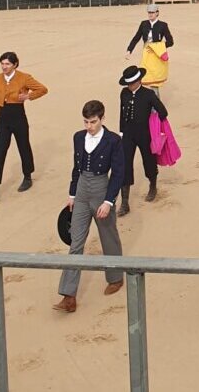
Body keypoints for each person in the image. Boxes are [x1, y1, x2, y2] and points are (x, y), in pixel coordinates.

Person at [53, 100, 125, 313]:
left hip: (102, 188)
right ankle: (68, 295)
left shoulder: (113, 140)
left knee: (108, 236)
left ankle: (115, 277)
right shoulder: (78, 137)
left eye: (93, 122)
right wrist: (72, 194)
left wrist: (108, 201)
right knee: (76, 241)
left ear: (102, 119)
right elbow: (76, 167)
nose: (89, 126)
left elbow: (118, 173)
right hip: (83, 190)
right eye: (85, 122)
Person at [0, 52, 48, 199]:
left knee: (23, 146)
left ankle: (27, 177)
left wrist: (28, 96)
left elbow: (43, 89)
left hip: (18, 117)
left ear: (15, 64)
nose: (4, 67)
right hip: (3, 118)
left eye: (7, 64)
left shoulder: (24, 77)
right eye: (2, 63)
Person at [118, 65, 169, 213]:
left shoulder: (148, 94)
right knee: (125, 163)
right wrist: (121, 132)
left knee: (149, 160)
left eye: (132, 83)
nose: (130, 86)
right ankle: (125, 202)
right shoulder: (124, 93)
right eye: (128, 84)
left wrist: (155, 126)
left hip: (144, 134)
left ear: (139, 80)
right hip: (128, 134)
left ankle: (153, 186)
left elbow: (163, 112)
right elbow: (122, 113)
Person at [126, 4, 175, 88]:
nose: (150, 14)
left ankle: (155, 99)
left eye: (152, 12)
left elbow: (170, 42)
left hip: (157, 55)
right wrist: (129, 50)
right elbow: (136, 37)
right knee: (144, 76)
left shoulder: (163, 25)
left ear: (157, 13)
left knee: (155, 82)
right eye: (149, 12)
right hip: (146, 54)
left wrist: (157, 47)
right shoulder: (143, 24)